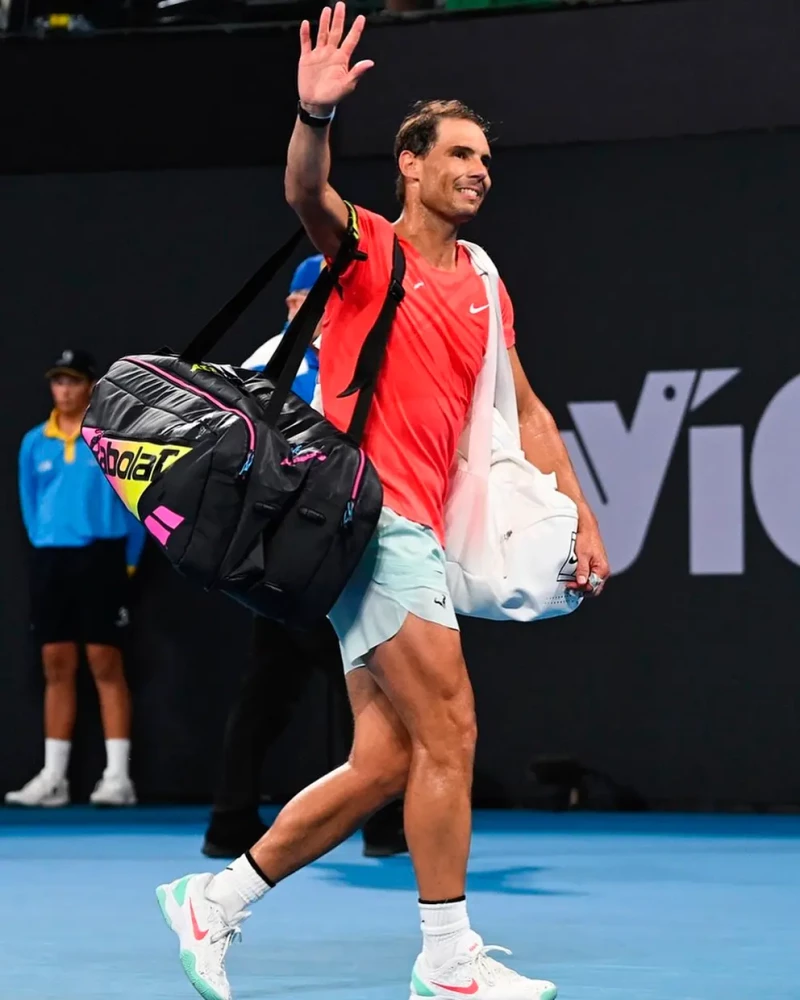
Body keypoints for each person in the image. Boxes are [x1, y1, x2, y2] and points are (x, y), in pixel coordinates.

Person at [155, 6, 610, 999]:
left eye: (485, 157)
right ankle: (446, 960)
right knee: (452, 729)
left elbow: (524, 409)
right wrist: (311, 115)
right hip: (371, 523)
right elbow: (302, 190)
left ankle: (214, 902)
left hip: (419, 534)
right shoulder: (365, 247)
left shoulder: (485, 282)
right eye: (457, 153)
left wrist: (578, 515)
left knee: (388, 760)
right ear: (407, 165)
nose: (478, 169)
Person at [203, 254, 408, 860]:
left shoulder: (364, 351)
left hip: (344, 546)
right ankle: (242, 821)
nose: (325, 306)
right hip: (289, 553)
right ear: (292, 305)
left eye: (336, 294)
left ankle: (238, 822)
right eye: (313, 297)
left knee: (320, 685)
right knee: (360, 684)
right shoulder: (269, 362)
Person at [7, 349, 145, 808]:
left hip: (102, 558)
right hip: (52, 562)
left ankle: (118, 777)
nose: (63, 390)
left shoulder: (109, 438)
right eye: (57, 382)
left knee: (106, 663)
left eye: (72, 381)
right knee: (55, 664)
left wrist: (126, 560)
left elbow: (135, 504)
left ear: (90, 386)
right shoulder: (34, 442)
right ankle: (54, 777)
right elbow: (30, 504)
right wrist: (46, 541)